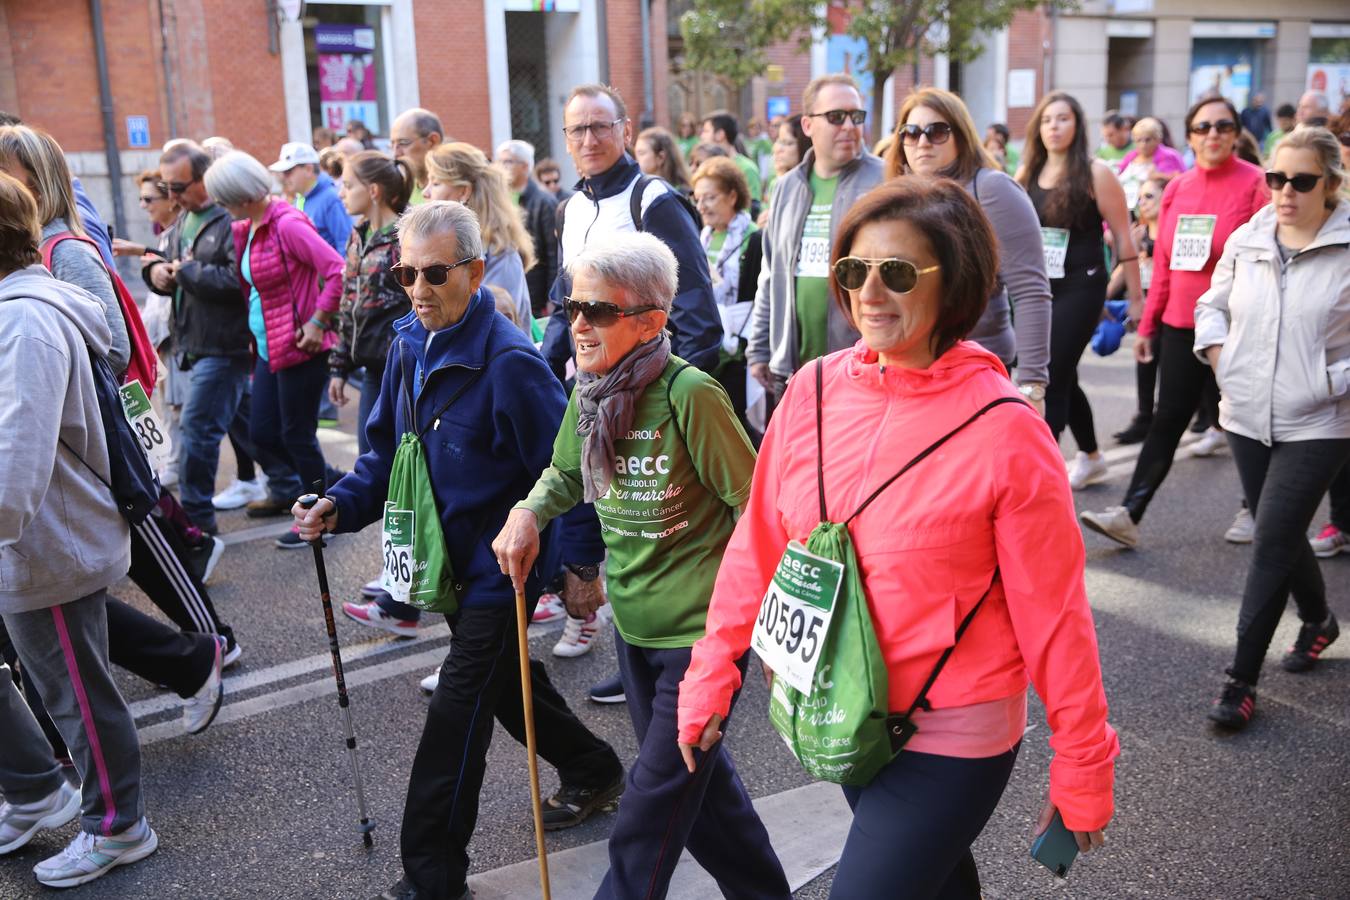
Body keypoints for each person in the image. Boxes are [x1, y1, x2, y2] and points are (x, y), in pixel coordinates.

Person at [678, 179, 1119, 899]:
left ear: (958, 282)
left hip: (951, 733)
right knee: (937, 883)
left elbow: (1056, 617)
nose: (870, 292)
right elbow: (756, 549)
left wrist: (1083, 762)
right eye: (853, 270)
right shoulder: (813, 391)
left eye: (899, 272)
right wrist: (711, 675)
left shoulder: (1007, 431)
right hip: (836, 712)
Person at [291, 201, 624, 900]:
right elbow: (383, 455)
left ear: (474, 272)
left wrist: (579, 569)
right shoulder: (407, 343)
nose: (417, 288)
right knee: (504, 688)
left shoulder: (510, 363)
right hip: (443, 563)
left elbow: (566, 472)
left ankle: (432, 876)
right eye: (406, 273)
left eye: (435, 272)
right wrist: (338, 503)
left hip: (503, 571)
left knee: (457, 713)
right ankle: (593, 768)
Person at [494, 232, 789, 900]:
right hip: (633, 631)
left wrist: (763, 626)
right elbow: (565, 474)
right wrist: (528, 514)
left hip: (700, 646)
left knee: (648, 815)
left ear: (651, 321)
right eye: (573, 307)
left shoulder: (691, 396)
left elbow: (759, 511)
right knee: (708, 803)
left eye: (598, 310)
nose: (578, 323)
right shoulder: (592, 393)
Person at [0, 126, 241, 660]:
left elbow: (110, 341)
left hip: (101, 417)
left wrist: (52, 368)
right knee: (141, 519)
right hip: (84, 416)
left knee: (144, 520)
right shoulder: (37, 245)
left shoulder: (64, 248)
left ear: (35, 184)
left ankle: (213, 639)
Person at [0, 170, 159, 888]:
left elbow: (17, 459)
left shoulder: (24, 320)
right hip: (37, 542)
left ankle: (118, 826)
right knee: (68, 686)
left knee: (78, 694)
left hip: (46, 543)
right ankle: (52, 794)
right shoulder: (19, 311)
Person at [1193, 126, 1349, 729]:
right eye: (1276, 178)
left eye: (1301, 181)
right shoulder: (1250, 235)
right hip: (1245, 411)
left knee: (1270, 539)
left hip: (1322, 418)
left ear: (1330, 184)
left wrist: (1333, 381)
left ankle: (1240, 680)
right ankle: (1319, 620)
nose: (1284, 192)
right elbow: (1213, 304)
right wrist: (1218, 356)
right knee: (1280, 535)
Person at [1080, 96, 1269, 547]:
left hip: (1235, 327)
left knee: (1246, 421)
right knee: (1169, 418)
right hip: (1184, 324)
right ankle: (1129, 513)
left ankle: (1259, 511)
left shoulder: (1257, 185)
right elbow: (1163, 263)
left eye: (1223, 127)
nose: (1213, 136)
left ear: (1236, 133)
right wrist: (1149, 325)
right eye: (1202, 128)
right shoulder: (1179, 189)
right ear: (1188, 136)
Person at [204, 151, 346, 548]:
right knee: (265, 433)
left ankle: (322, 514)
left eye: (222, 198)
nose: (219, 206)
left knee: (295, 435)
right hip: (270, 345)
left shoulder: (287, 224)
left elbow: (336, 269)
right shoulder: (250, 226)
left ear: (239, 195)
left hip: (300, 345)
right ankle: (337, 485)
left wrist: (318, 323)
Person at [886, 87, 1052, 416]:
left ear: (961, 136)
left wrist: (1032, 384)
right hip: (909, 370)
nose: (922, 142)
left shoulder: (992, 189)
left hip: (977, 368)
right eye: (911, 132)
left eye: (937, 131)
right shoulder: (895, 196)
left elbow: (1031, 291)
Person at [543, 82, 722, 381]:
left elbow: (698, 318)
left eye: (600, 126)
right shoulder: (569, 210)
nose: (589, 140)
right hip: (591, 391)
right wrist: (543, 378)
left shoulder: (654, 200)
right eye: (577, 130)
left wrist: (669, 399)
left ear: (626, 131)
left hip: (648, 390)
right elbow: (565, 312)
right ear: (566, 139)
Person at [1016, 91, 1142, 489]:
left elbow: (1124, 237)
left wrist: (1135, 297)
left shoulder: (1096, 173)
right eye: (1047, 119)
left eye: (1063, 118)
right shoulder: (1025, 174)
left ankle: (1041, 472)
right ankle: (1091, 455)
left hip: (1082, 285)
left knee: (1048, 372)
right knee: (1063, 373)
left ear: (1077, 126)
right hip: (1037, 288)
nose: (1054, 126)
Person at [748, 73, 883, 406]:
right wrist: (761, 347)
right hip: (793, 371)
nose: (850, 126)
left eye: (857, 116)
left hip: (863, 367)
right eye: (836, 117)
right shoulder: (786, 188)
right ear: (807, 125)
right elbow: (771, 273)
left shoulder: (886, 180)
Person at [328, 151, 420, 634]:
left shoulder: (403, 238)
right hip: (370, 369)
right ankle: (397, 574)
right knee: (377, 468)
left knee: (401, 476)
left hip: (400, 368)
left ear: (376, 190)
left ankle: (404, 594)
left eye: (347, 184)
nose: (342, 192)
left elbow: (419, 304)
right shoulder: (359, 235)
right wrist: (339, 365)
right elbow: (348, 304)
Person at [141, 141, 253, 535]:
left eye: (178, 187)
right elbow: (160, 262)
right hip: (193, 344)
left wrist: (183, 271)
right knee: (260, 429)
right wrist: (155, 274)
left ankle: (198, 527)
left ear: (203, 179)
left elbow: (235, 280)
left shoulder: (229, 218)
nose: (171, 196)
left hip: (224, 345)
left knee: (196, 430)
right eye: (166, 187)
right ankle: (292, 482)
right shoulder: (182, 220)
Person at [424, 142, 533, 332]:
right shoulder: (456, 246)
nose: (426, 193)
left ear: (464, 192)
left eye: (435, 183)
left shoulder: (499, 253)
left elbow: (495, 324)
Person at [692, 156, 764, 429]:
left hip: (738, 350)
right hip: (707, 344)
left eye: (709, 198)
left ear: (732, 195)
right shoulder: (702, 235)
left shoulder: (755, 237)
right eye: (698, 199)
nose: (701, 206)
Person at [1108, 176, 1165, 445]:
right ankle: (1144, 416)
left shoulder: (1170, 231)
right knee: (1145, 357)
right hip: (1147, 304)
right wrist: (1103, 296)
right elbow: (1124, 270)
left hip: (1170, 305)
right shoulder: (1139, 233)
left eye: (1150, 196)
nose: (1143, 202)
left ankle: (1207, 417)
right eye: (1141, 197)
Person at [495, 139, 558, 317]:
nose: (500, 166)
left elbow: (554, 254)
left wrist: (552, 298)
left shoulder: (544, 202)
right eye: (499, 161)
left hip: (536, 298)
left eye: (507, 161)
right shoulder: (500, 200)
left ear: (525, 166)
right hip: (508, 294)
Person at [269, 142, 353, 255]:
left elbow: (346, 245)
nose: (284, 177)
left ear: (308, 169)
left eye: (288, 172)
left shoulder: (331, 199)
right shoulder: (300, 197)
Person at [1116, 117, 1185, 208]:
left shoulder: (1169, 156)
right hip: (1127, 207)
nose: (1143, 144)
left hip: (1158, 208)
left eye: (1147, 140)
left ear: (1158, 139)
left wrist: (1159, 176)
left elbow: (1181, 180)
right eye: (1139, 140)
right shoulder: (1130, 157)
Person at [700, 111, 763, 201]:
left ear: (720, 135)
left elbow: (752, 208)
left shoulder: (747, 169)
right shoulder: (706, 166)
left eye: (706, 131)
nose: (702, 136)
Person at [390, 108, 445, 203]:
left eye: (403, 142)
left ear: (433, 141)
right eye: (392, 145)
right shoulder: (402, 191)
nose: (396, 154)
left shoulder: (455, 189)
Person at [762, 114, 809, 214]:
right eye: (778, 141)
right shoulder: (775, 184)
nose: (777, 149)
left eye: (788, 143)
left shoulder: (810, 186)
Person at [634, 126, 693, 197]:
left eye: (641, 153)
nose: (636, 160)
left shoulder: (684, 195)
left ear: (660, 157)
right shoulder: (642, 192)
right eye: (635, 154)